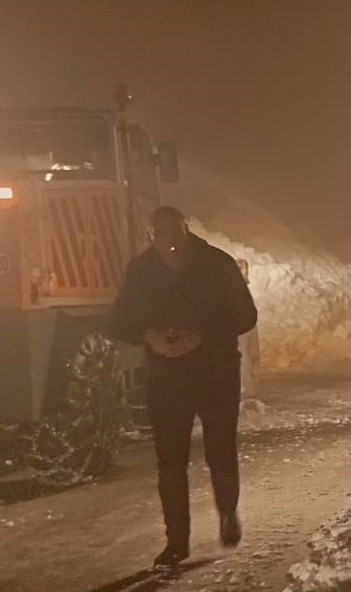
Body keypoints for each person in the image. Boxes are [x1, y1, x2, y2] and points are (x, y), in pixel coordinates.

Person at [110, 206, 258, 567]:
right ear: (151, 235)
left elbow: (245, 315)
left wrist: (201, 335)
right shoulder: (141, 271)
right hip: (167, 377)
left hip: (216, 373)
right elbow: (119, 320)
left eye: (173, 232)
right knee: (171, 464)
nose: (168, 241)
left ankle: (228, 515)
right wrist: (151, 336)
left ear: (186, 230)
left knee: (220, 452)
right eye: (159, 233)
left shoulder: (216, 265)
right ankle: (177, 541)